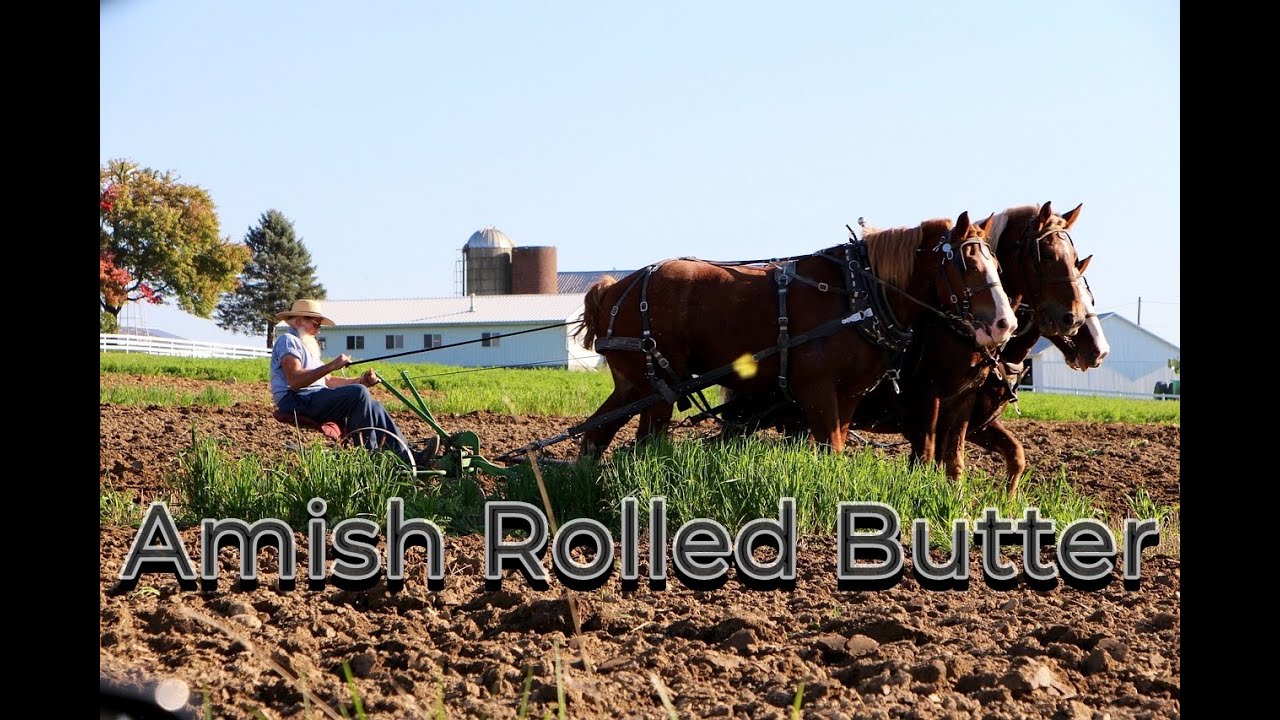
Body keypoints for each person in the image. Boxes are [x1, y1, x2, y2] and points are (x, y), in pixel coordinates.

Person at [270, 299, 430, 466]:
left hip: (313, 397)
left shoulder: (306, 346)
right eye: (315, 325)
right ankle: (371, 458)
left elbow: (328, 381)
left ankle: (408, 457)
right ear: (299, 321)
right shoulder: (288, 340)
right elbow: (295, 380)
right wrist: (332, 365)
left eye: (319, 326)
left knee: (374, 406)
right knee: (358, 393)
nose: (318, 331)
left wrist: (361, 381)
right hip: (295, 400)